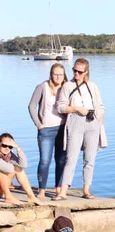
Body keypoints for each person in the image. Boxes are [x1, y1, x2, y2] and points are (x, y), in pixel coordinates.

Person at [54, 58, 105, 201]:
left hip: (92, 122)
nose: (76, 73)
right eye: (74, 70)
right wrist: (76, 108)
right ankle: (63, 191)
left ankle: (86, 189)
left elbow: (101, 106)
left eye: (80, 72)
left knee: (90, 159)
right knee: (71, 158)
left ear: (86, 72)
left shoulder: (92, 86)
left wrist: (99, 119)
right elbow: (60, 107)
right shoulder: (67, 86)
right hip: (75, 121)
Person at [28, 63, 68, 199]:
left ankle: (58, 188)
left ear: (64, 75)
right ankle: (42, 190)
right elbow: (31, 106)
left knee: (61, 160)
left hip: (63, 129)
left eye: (60, 74)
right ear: (51, 74)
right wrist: (39, 124)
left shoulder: (67, 87)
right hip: (46, 130)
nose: (58, 77)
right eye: (55, 74)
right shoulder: (42, 86)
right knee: (45, 160)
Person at [0, 133, 42, 206]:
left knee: (19, 170)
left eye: (10, 146)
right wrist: (14, 166)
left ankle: (31, 196)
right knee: (3, 171)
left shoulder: (9, 155)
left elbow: (23, 165)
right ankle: (8, 197)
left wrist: (18, 148)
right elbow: (9, 169)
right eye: (4, 145)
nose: (7, 148)